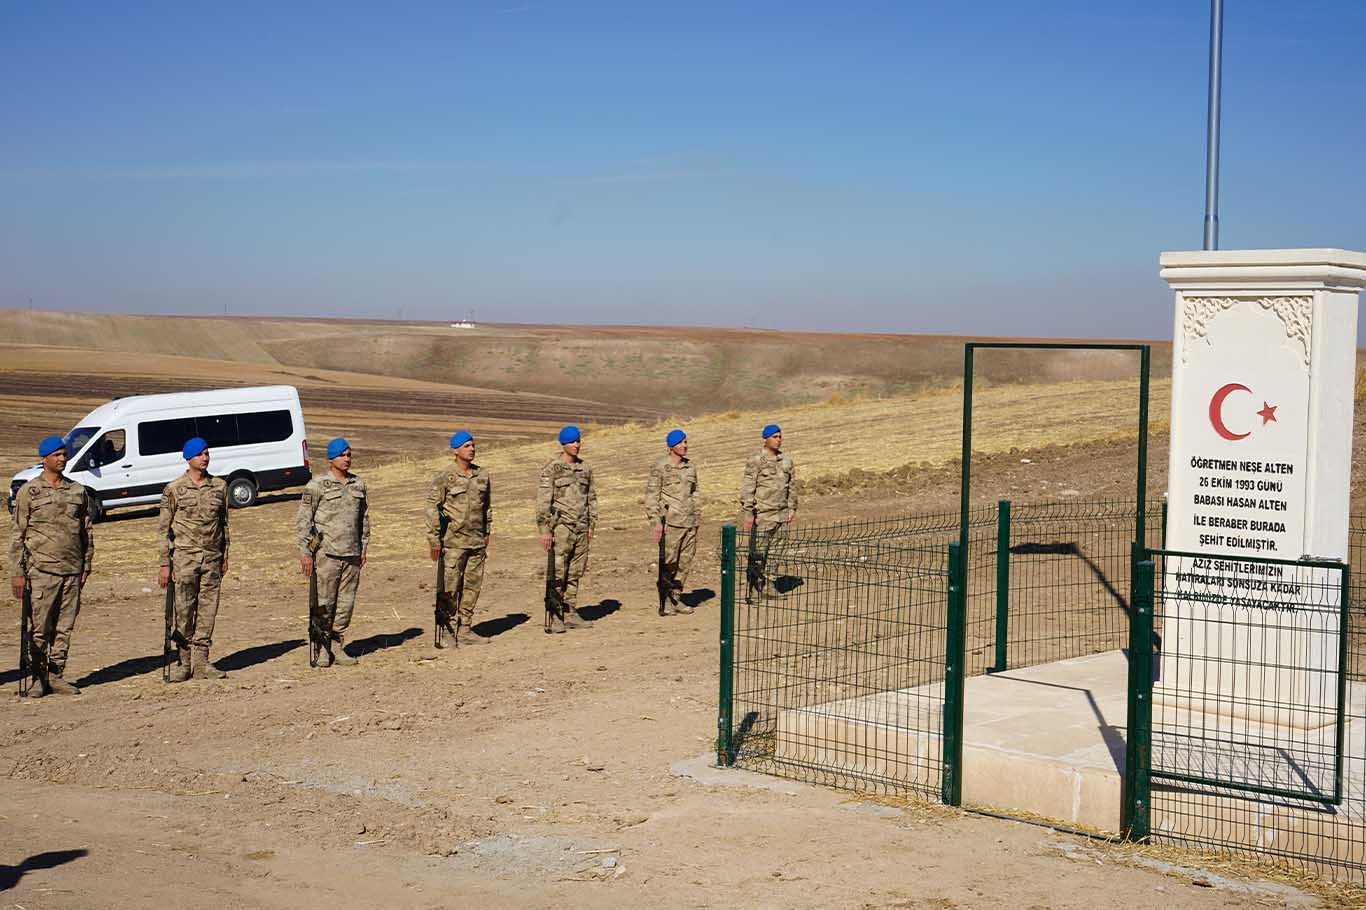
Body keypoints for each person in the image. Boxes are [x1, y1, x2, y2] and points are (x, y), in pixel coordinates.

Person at [8, 435, 94, 696]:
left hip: (71, 570)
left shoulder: (77, 491)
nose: (63, 459)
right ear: (44, 459)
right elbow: (17, 535)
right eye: (57, 455)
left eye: (64, 454)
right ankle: (38, 677)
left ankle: (56, 675)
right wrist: (17, 573)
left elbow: (85, 532)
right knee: (39, 627)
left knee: (64, 627)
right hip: (41, 571)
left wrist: (86, 566)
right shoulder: (29, 492)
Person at [156, 437, 230, 682]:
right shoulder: (174, 489)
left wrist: (225, 555)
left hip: (212, 559)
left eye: (207, 453)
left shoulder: (219, 487)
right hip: (184, 560)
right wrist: (165, 564)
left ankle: (202, 662)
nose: (205, 458)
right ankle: (183, 661)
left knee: (208, 611)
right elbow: (163, 530)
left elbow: (224, 524)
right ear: (188, 458)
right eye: (200, 454)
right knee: (184, 611)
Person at [297, 437, 370, 667]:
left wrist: (364, 547)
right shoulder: (317, 485)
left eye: (349, 455)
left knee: (346, 603)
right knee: (324, 604)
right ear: (331, 459)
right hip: (327, 554)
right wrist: (306, 553)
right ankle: (320, 648)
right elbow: (304, 520)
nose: (346, 459)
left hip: (352, 553)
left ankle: (337, 647)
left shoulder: (358, 484)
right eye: (342, 455)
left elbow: (364, 519)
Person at [425, 430, 493, 648]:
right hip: (452, 543)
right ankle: (446, 630)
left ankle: (465, 629)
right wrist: (435, 540)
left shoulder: (482, 475)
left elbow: (487, 507)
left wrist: (487, 532)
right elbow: (433, 509)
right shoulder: (445, 477)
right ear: (455, 450)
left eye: (473, 445)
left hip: (476, 542)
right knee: (450, 589)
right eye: (466, 446)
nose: (471, 449)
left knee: (472, 588)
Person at [536, 425, 597, 633]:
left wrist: (591, 524)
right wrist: (545, 530)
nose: (577, 445)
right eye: (572, 442)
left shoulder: (585, 469)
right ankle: (555, 614)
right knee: (558, 572)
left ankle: (570, 611)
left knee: (576, 572)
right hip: (561, 528)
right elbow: (543, 502)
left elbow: (591, 499)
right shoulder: (552, 469)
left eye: (579, 441)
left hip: (581, 527)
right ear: (563, 444)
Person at [645, 428, 700, 615]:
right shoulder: (660, 467)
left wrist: (697, 515)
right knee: (669, 563)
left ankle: (676, 597)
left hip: (689, 522)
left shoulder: (690, 467)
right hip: (671, 524)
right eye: (681, 442)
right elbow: (652, 496)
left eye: (686, 442)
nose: (685, 445)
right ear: (671, 446)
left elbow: (695, 493)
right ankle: (665, 600)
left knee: (685, 562)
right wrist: (655, 522)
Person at [739, 424, 797, 596]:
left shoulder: (786, 461)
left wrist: (792, 507)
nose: (778, 440)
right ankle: (755, 584)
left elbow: (792, 486)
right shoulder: (756, 460)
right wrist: (749, 513)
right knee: (759, 551)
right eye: (774, 437)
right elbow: (748, 488)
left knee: (776, 552)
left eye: (780, 436)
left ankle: (770, 584)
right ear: (765, 439)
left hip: (781, 513)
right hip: (763, 514)